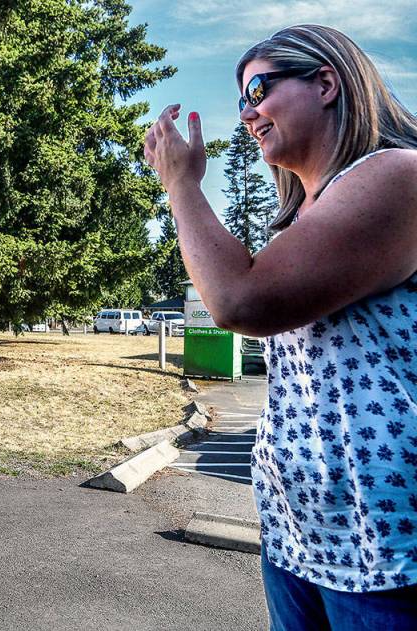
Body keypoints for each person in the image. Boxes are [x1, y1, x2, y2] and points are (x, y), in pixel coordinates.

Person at [144, 24, 417, 630]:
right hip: (299, 534)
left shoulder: (399, 174)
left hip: (387, 547)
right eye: (242, 100)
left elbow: (241, 301)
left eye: (259, 89)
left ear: (325, 82)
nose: (247, 113)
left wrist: (182, 185)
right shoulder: (305, 215)